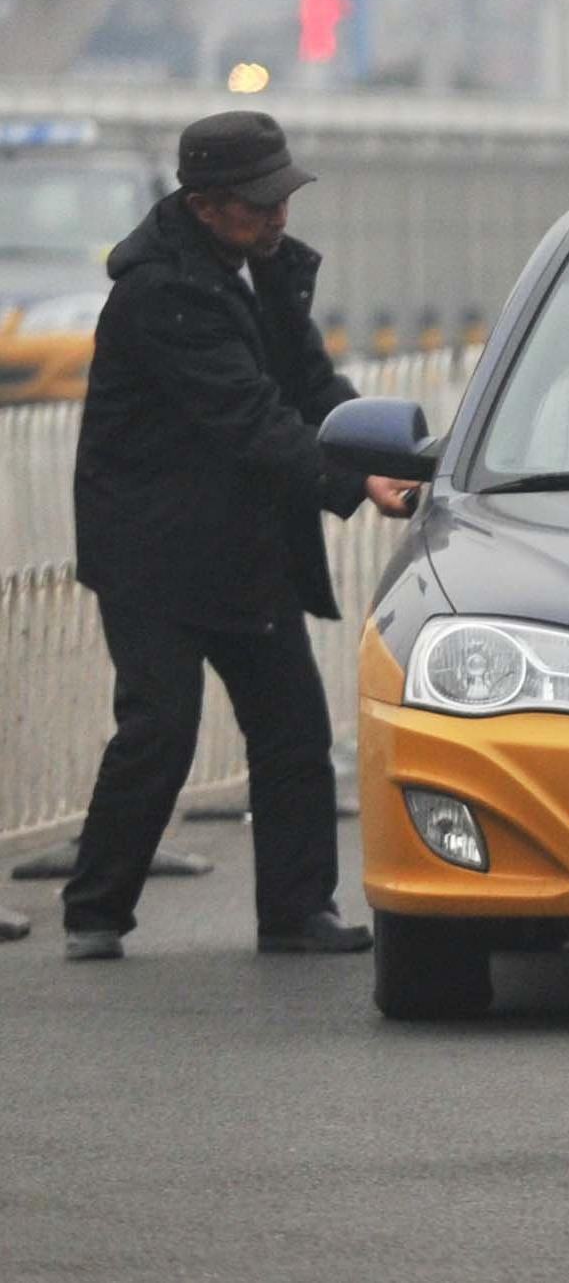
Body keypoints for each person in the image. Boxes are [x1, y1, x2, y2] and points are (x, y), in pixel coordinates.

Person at [60, 111, 414, 962]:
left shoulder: (263, 270)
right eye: (259, 205)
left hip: (240, 540)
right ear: (206, 205)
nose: (278, 217)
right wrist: (352, 478)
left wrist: (383, 444)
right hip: (152, 550)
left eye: (281, 198)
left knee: (292, 732)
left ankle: (295, 914)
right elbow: (249, 419)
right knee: (160, 730)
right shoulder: (161, 293)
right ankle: (94, 911)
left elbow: (311, 386)